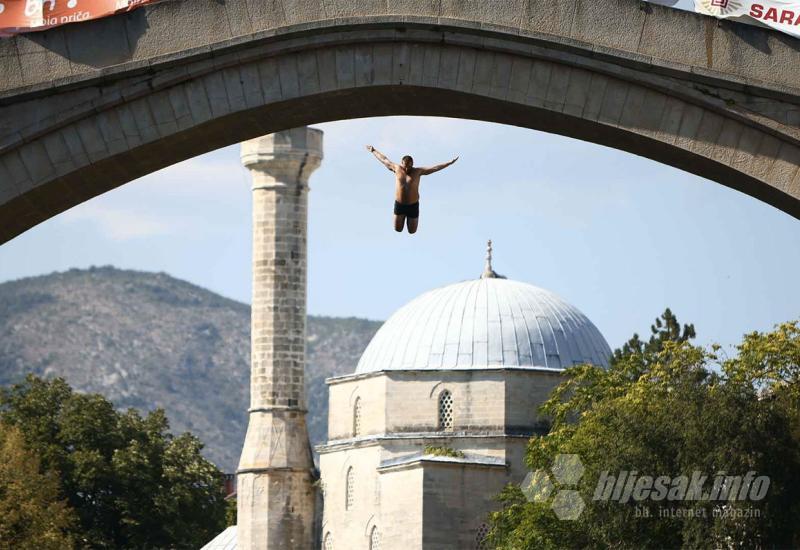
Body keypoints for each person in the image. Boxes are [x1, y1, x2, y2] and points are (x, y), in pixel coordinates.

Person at [366, 145, 458, 234]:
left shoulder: (418, 171)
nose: (406, 169)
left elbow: (434, 168)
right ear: (402, 163)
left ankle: (408, 217)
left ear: (412, 164)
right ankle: (402, 216)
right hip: (400, 205)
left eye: (409, 166)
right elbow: (384, 159)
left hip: (413, 205)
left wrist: (448, 163)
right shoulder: (396, 168)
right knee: (398, 229)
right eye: (405, 166)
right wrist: (373, 150)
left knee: (412, 231)